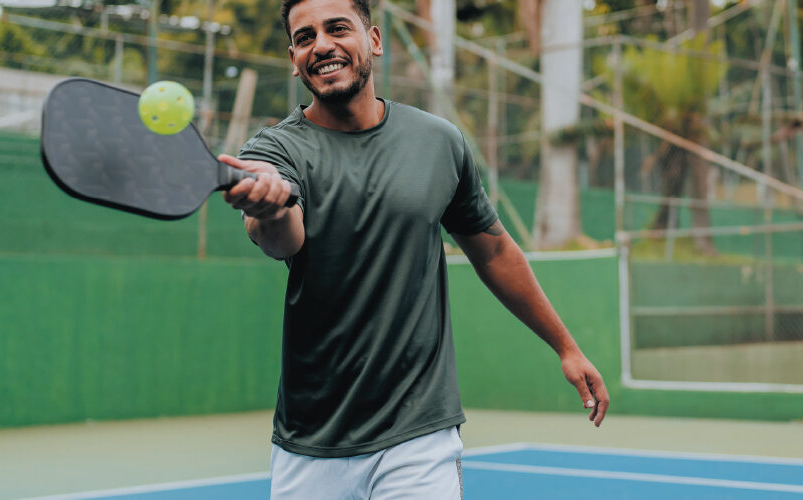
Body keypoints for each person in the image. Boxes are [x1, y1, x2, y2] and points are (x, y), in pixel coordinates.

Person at [214, 0, 610, 497]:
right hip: (312, 442)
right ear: (294, 57)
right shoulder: (274, 151)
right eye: (305, 37)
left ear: (374, 40)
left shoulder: (439, 142)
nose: (322, 45)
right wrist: (270, 207)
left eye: (338, 29)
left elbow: (493, 252)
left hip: (419, 437)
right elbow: (280, 239)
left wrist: (566, 347)